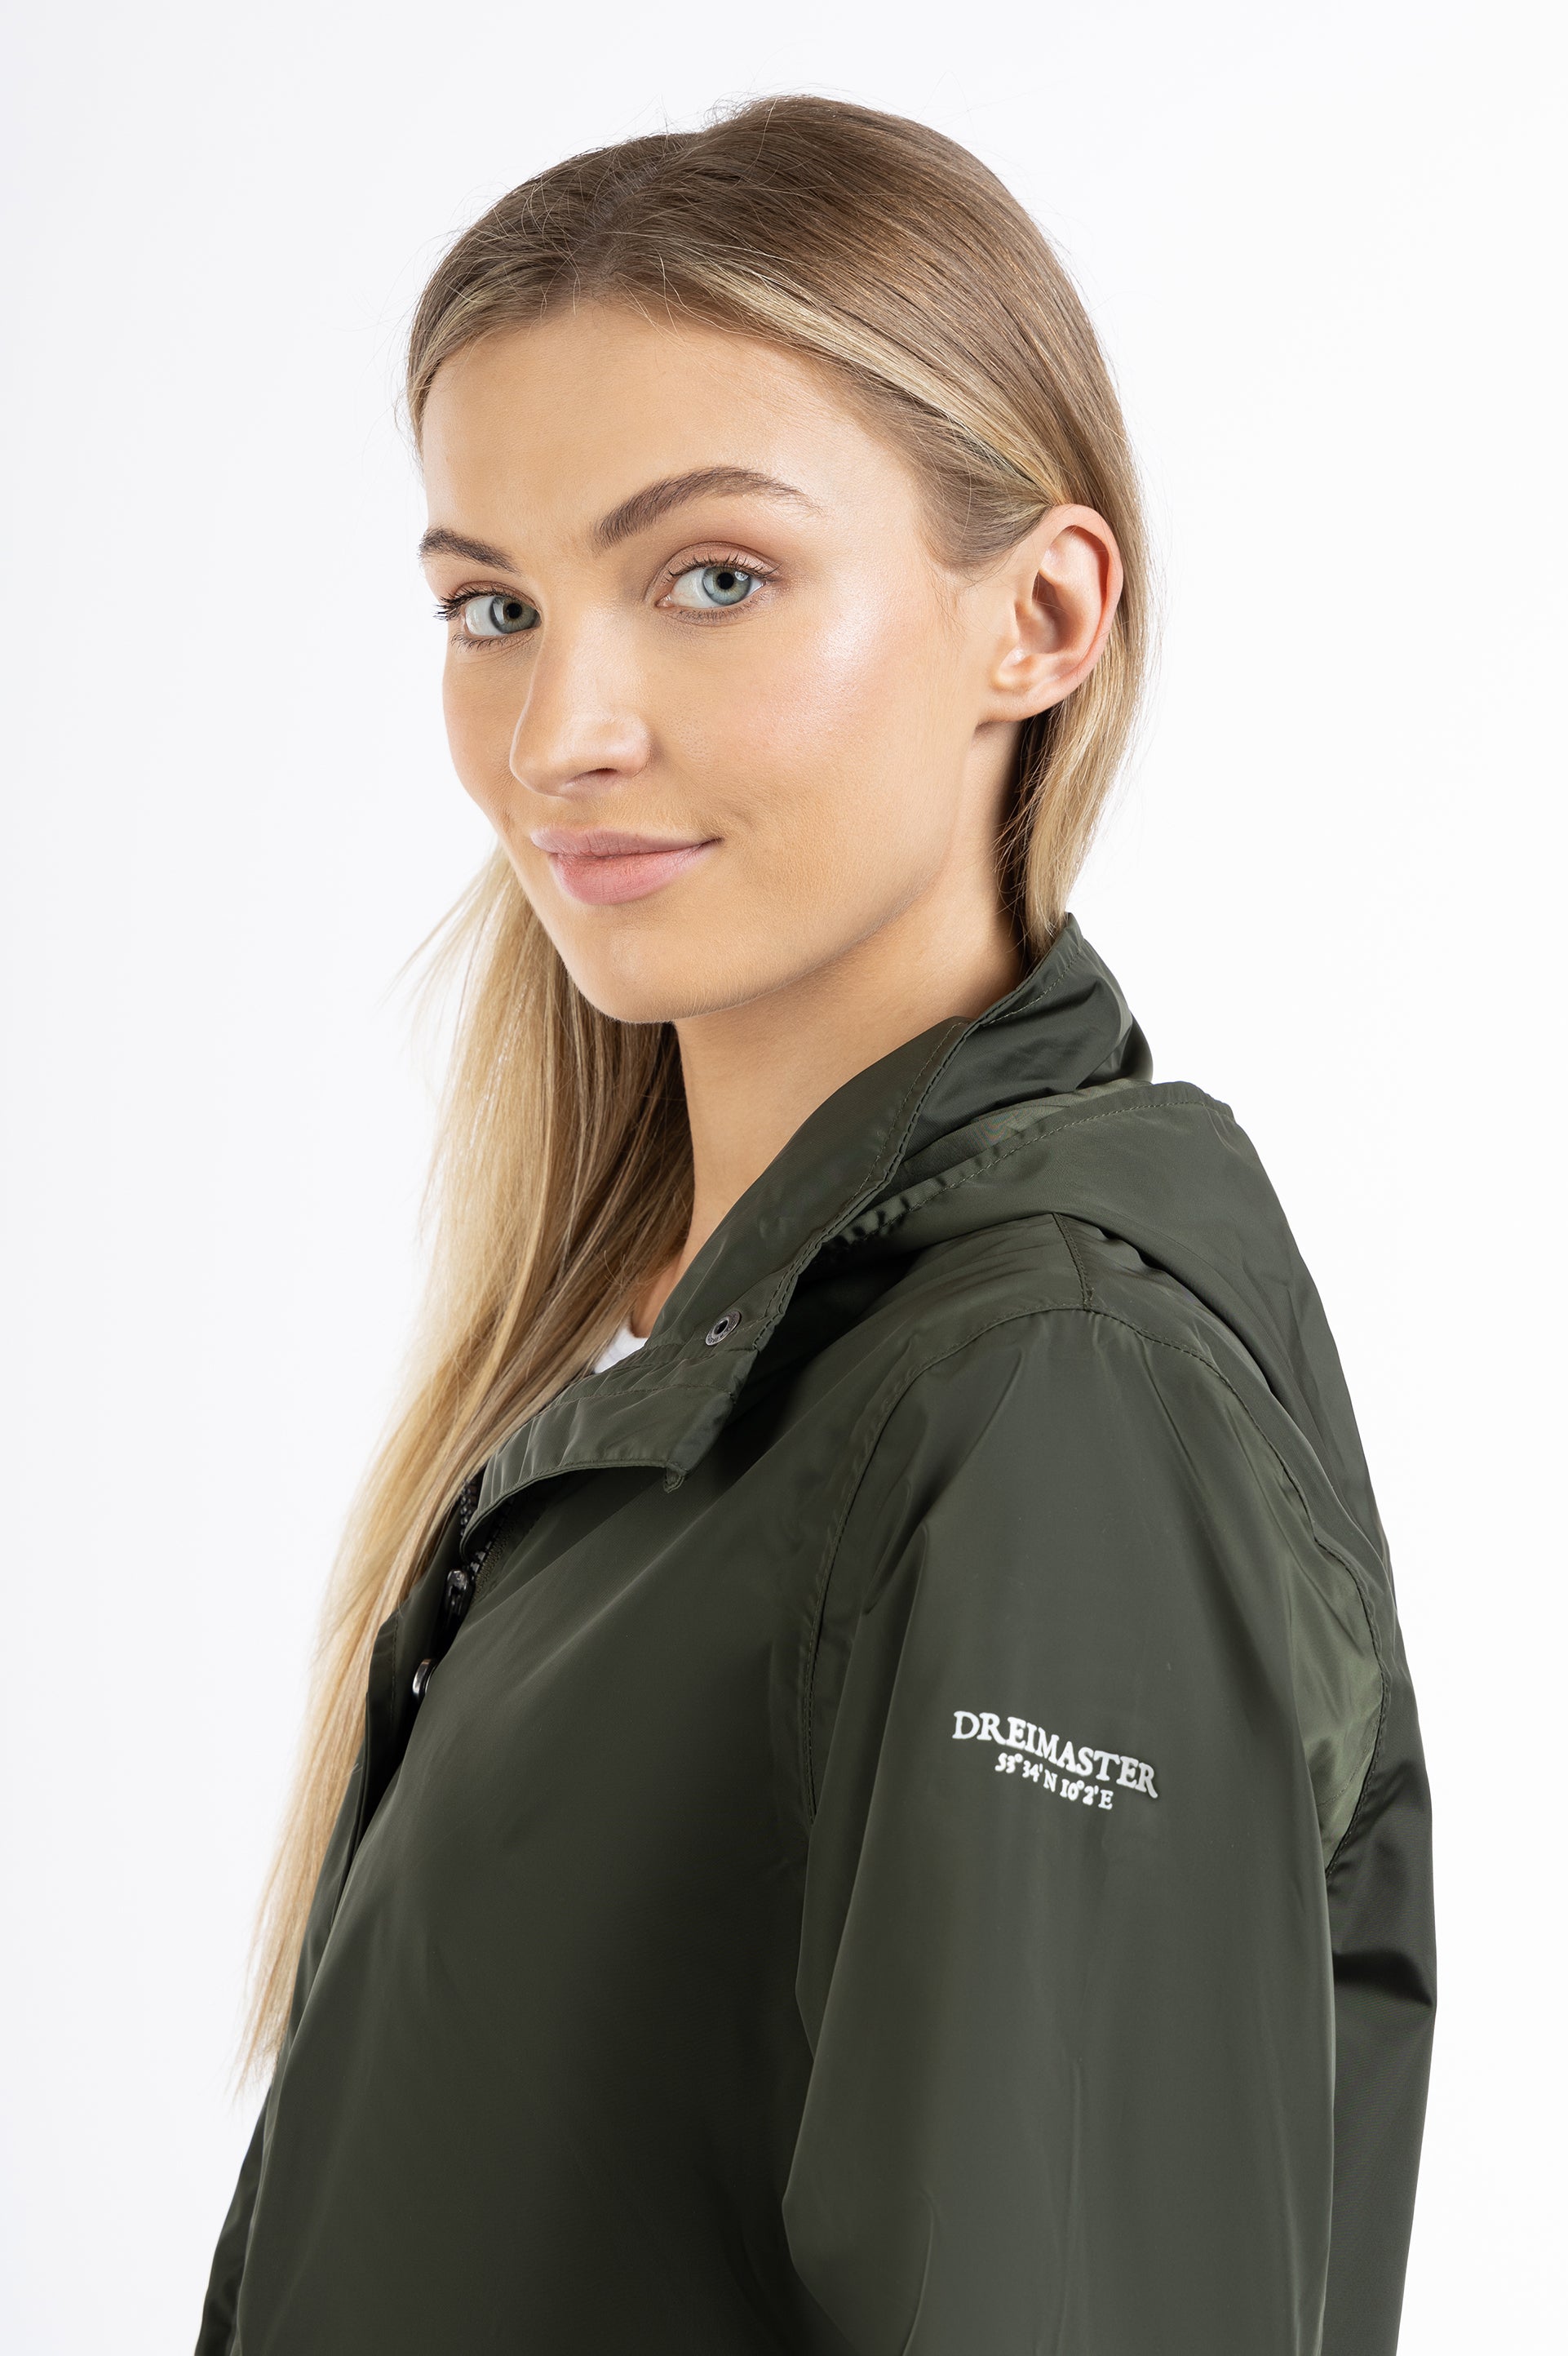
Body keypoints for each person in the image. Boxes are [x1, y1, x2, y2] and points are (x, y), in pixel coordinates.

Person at [197, 94, 1434, 2356]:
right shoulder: (712, 1379)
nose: (558, 732)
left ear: (1038, 617)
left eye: (714, 579)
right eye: (492, 607)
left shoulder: (1047, 1401)